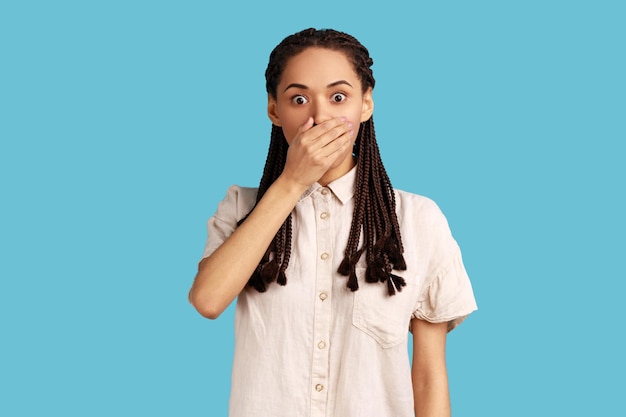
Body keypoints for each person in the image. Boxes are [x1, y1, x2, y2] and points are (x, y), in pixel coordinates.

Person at [189, 28, 477, 417]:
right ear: (274, 109)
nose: (319, 116)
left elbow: (428, 376)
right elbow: (207, 300)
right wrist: (292, 182)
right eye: (299, 98)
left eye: (338, 97)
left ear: (366, 104)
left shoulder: (418, 220)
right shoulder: (241, 207)